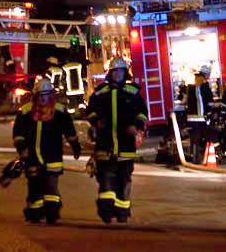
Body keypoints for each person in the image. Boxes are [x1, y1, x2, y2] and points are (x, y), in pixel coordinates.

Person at [86, 56, 148, 224]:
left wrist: (137, 126)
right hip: (105, 144)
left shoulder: (133, 92)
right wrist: (96, 121)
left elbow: (142, 112)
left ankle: (122, 211)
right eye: (115, 71)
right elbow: (90, 111)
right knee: (106, 178)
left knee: (124, 179)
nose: (118, 74)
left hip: (125, 144)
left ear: (125, 73)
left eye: (120, 71)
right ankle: (106, 210)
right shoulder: (100, 92)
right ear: (110, 73)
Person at [12, 78, 82, 224]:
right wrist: (22, 148)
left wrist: (76, 147)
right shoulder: (25, 112)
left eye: (46, 95)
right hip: (32, 156)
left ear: (51, 95)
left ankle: (52, 211)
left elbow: (69, 131)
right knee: (34, 186)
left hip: (53, 156)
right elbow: (18, 133)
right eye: (41, 95)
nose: (43, 99)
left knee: (51, 186)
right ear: (35, 96)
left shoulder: (59, 112)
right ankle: (35, 212)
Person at [180, 65, 215, 164]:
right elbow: (209, 100)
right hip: (201, 116)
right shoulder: (203, 83)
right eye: (208, 74)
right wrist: (211, 110)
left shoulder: (189, 81)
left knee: (194, 137)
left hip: (191, 116)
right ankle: (208, 154)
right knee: (208, 134)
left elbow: (182, 97)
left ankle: (194, 155)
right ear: (205, 73)